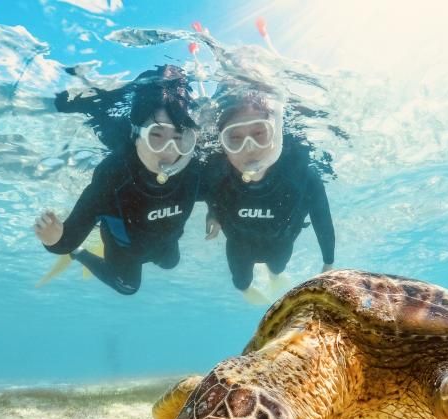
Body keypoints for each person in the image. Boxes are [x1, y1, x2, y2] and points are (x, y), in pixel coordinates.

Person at [34, 65, 202, 295]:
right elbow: (66, 241)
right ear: (136, 134)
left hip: (165, 245)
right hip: (124, 250)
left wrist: (216, 211)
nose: (169, 150)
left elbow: (221, 190)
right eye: (156, 135)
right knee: (128, 287)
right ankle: (81, 255)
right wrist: (53, 239)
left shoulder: (193, 169)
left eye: (178, 138)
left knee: (171, 263)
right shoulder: (113, 177)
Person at [202, 83, 335, 304]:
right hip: (239, 247)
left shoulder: (302, 176)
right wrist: (212, 213)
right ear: (223, 145)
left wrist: (328, 263)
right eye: (234, 138)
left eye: (259, 133)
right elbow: (211, 193)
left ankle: (274, 277)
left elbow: (322, 218)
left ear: (276, 132)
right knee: (241, 282)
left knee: (277, 267)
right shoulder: (217, 174)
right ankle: (247, 290)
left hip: (281, 245)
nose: (249, 147)